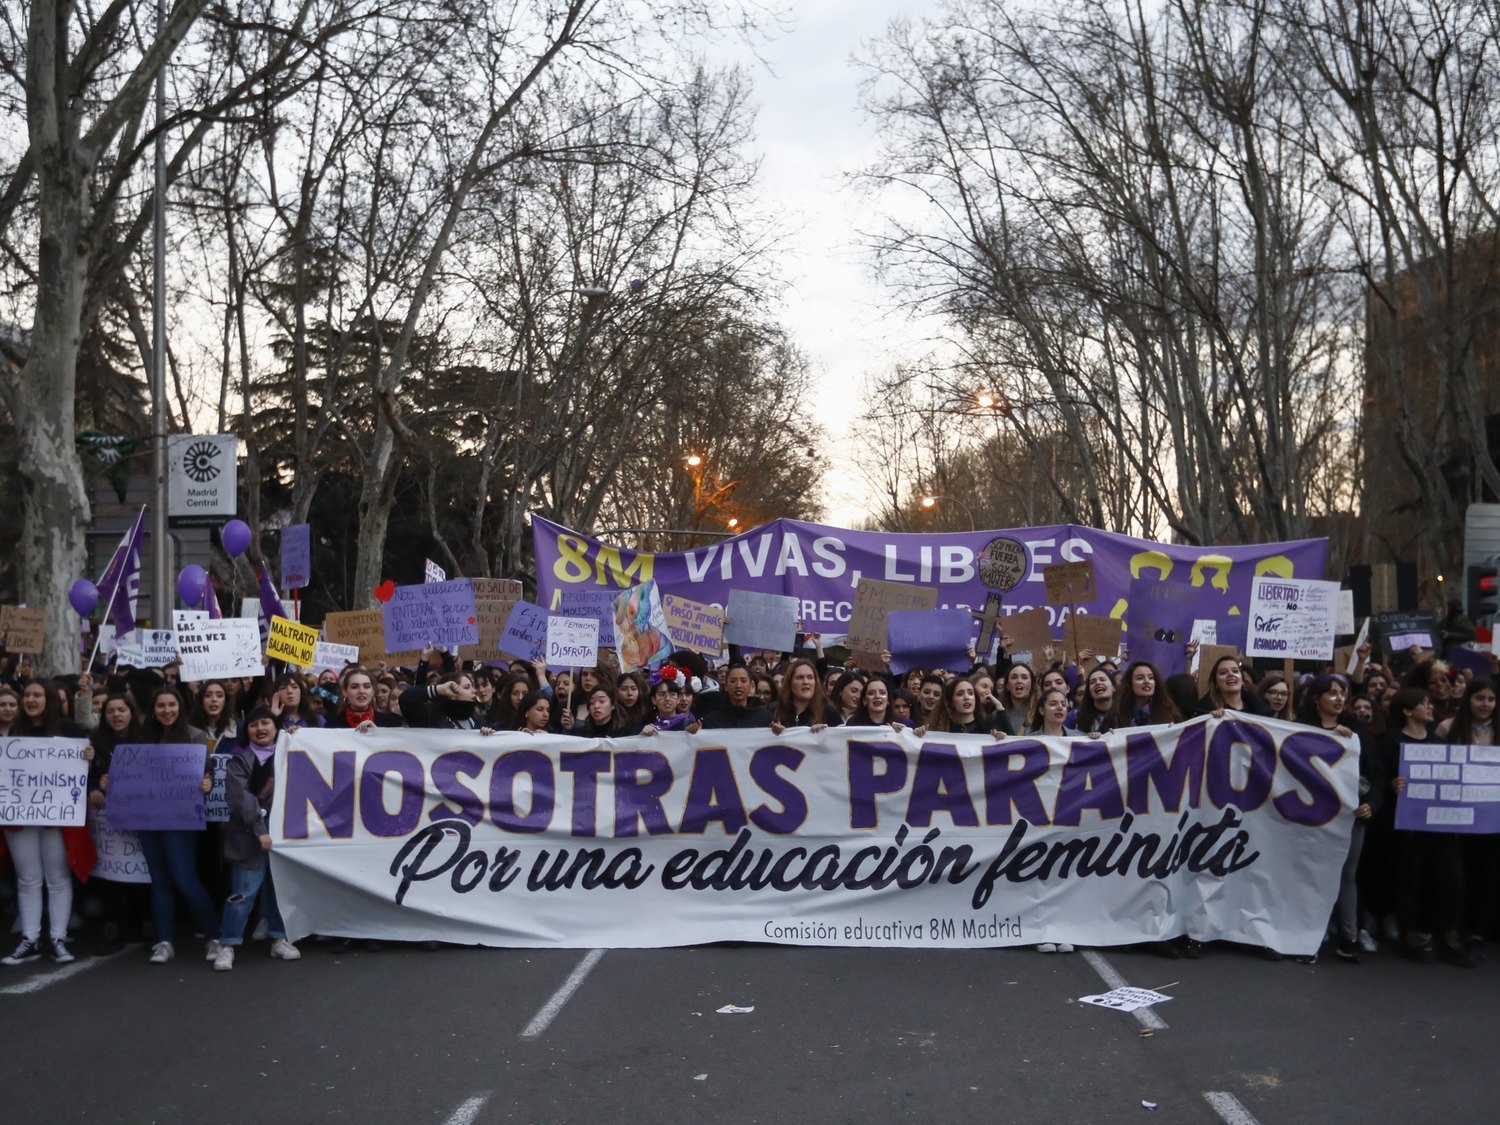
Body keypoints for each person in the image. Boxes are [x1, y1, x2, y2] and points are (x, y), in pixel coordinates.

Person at [1379, 688, 1473, 966]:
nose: (1430, 707)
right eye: (1423, 704)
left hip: (1440, 827)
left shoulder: (1439, 745)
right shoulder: (1389, 742)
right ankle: (1412, 935)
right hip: (1407, 828)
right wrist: (1390, 785)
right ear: (1408, 711)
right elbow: (1377, 776)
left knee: (1451, 879)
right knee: (1411, 880)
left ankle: (1446, 932)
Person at [1, 679, 89, 965]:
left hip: (57, 818)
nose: (30, 699)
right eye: (27, 694)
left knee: (58, 878)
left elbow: (84, 767)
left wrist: (89, 756)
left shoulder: (69, 730)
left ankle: (58, 937)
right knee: (28, 878)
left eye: (37, 695)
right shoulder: (14, 732)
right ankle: (31, 938)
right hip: (21, 817)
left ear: (48, 699)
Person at [132, 686, 220, 965]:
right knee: (159, 881)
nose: (167, 710)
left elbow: (207, 777)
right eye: (161, 706)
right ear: (153, 710)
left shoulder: (196, 737)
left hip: (179, 819)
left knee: (184, 879)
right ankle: (164, 941)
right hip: (147, 818)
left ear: (180, 707)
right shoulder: (141, 738)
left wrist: (207, 785)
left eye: (172, 705)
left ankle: (215, 935)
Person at [1295, 675, 1380, 962]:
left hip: (1349, 818)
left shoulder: (1356, 733)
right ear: (1316, 698)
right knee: (1310, 875)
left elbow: (1376, 775)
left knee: (1346, 876)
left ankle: (1349, 937)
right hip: (1311, 818)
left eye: (1342, 693)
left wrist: (1371, 804)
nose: (1339, 697)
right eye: (1331, 693)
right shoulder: (1300, 731)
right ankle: (1307, 939)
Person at [213, 705, 301, 970]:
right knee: (242, 894)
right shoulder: (238, 759)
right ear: (246, 730)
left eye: (266, 723)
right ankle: (227, 944)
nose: (261, 729)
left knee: (279, 892)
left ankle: (278, 939)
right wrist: (260, 829)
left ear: (276, 727)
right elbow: (241, 800)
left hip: (285, 836)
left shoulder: (292, 753)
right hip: (247, 838)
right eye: (254, 724)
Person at [1438, 678, 1498, 956]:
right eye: (1480, 698)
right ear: (1468, 700)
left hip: (1491, 820)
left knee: (1486, 876)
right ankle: (1451, 928)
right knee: (1455, 877)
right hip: (1455, 817)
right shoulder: (1447, 728)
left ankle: (1477, 931)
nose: (1485, 704)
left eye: (1490, 699)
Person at [400, 671, 493, 731]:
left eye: (473, 686)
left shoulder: (477, 721)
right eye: (467, 687)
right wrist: (440, 690)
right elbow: (406, 700)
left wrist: (486, 735)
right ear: (451, 693)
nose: (474, 691)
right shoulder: (431, 716)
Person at [771, 658, 840, 734]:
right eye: (800, 677)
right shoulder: (774, 710)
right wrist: (771, 732)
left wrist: (826, 734)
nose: (806, 682)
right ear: (790, 682)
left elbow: (841, 740)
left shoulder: (829, 712)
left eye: (810, 677)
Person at [1109, 661, 1181, 728]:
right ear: (1130, 684)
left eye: (1151, 678)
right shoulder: (1117, 711)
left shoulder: (1168, 710)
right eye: (1140, 678)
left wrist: (1174, 730)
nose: (1147, 681)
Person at [700, 664, 771, 729]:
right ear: (726, 686)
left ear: (751, 685)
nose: (738, 685)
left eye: (743, 681)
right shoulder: (711, 720)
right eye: (733, 681)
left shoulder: (765, 718)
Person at [334, 667, 405, 730]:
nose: (361, 691)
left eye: (367, 686)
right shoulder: (332, 725)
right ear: (345, 691)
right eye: (354, 687)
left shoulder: (391, 723)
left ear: (373, 691)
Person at [1201, 656, 1272, 717]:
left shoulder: (1261, 709)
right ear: (1216, 683)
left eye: (1235, 671)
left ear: (1242, 681)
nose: (1230, 674)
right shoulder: (1204, 711)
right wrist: (1211, 719)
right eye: (1223, 672)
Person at [1070, 667, 1115, 734]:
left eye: (1102, 679)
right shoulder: (1078, 718)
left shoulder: (1127, 714)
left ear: (1114, 687)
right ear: (1089, 693)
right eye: (1092, 682)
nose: (1098, 683)